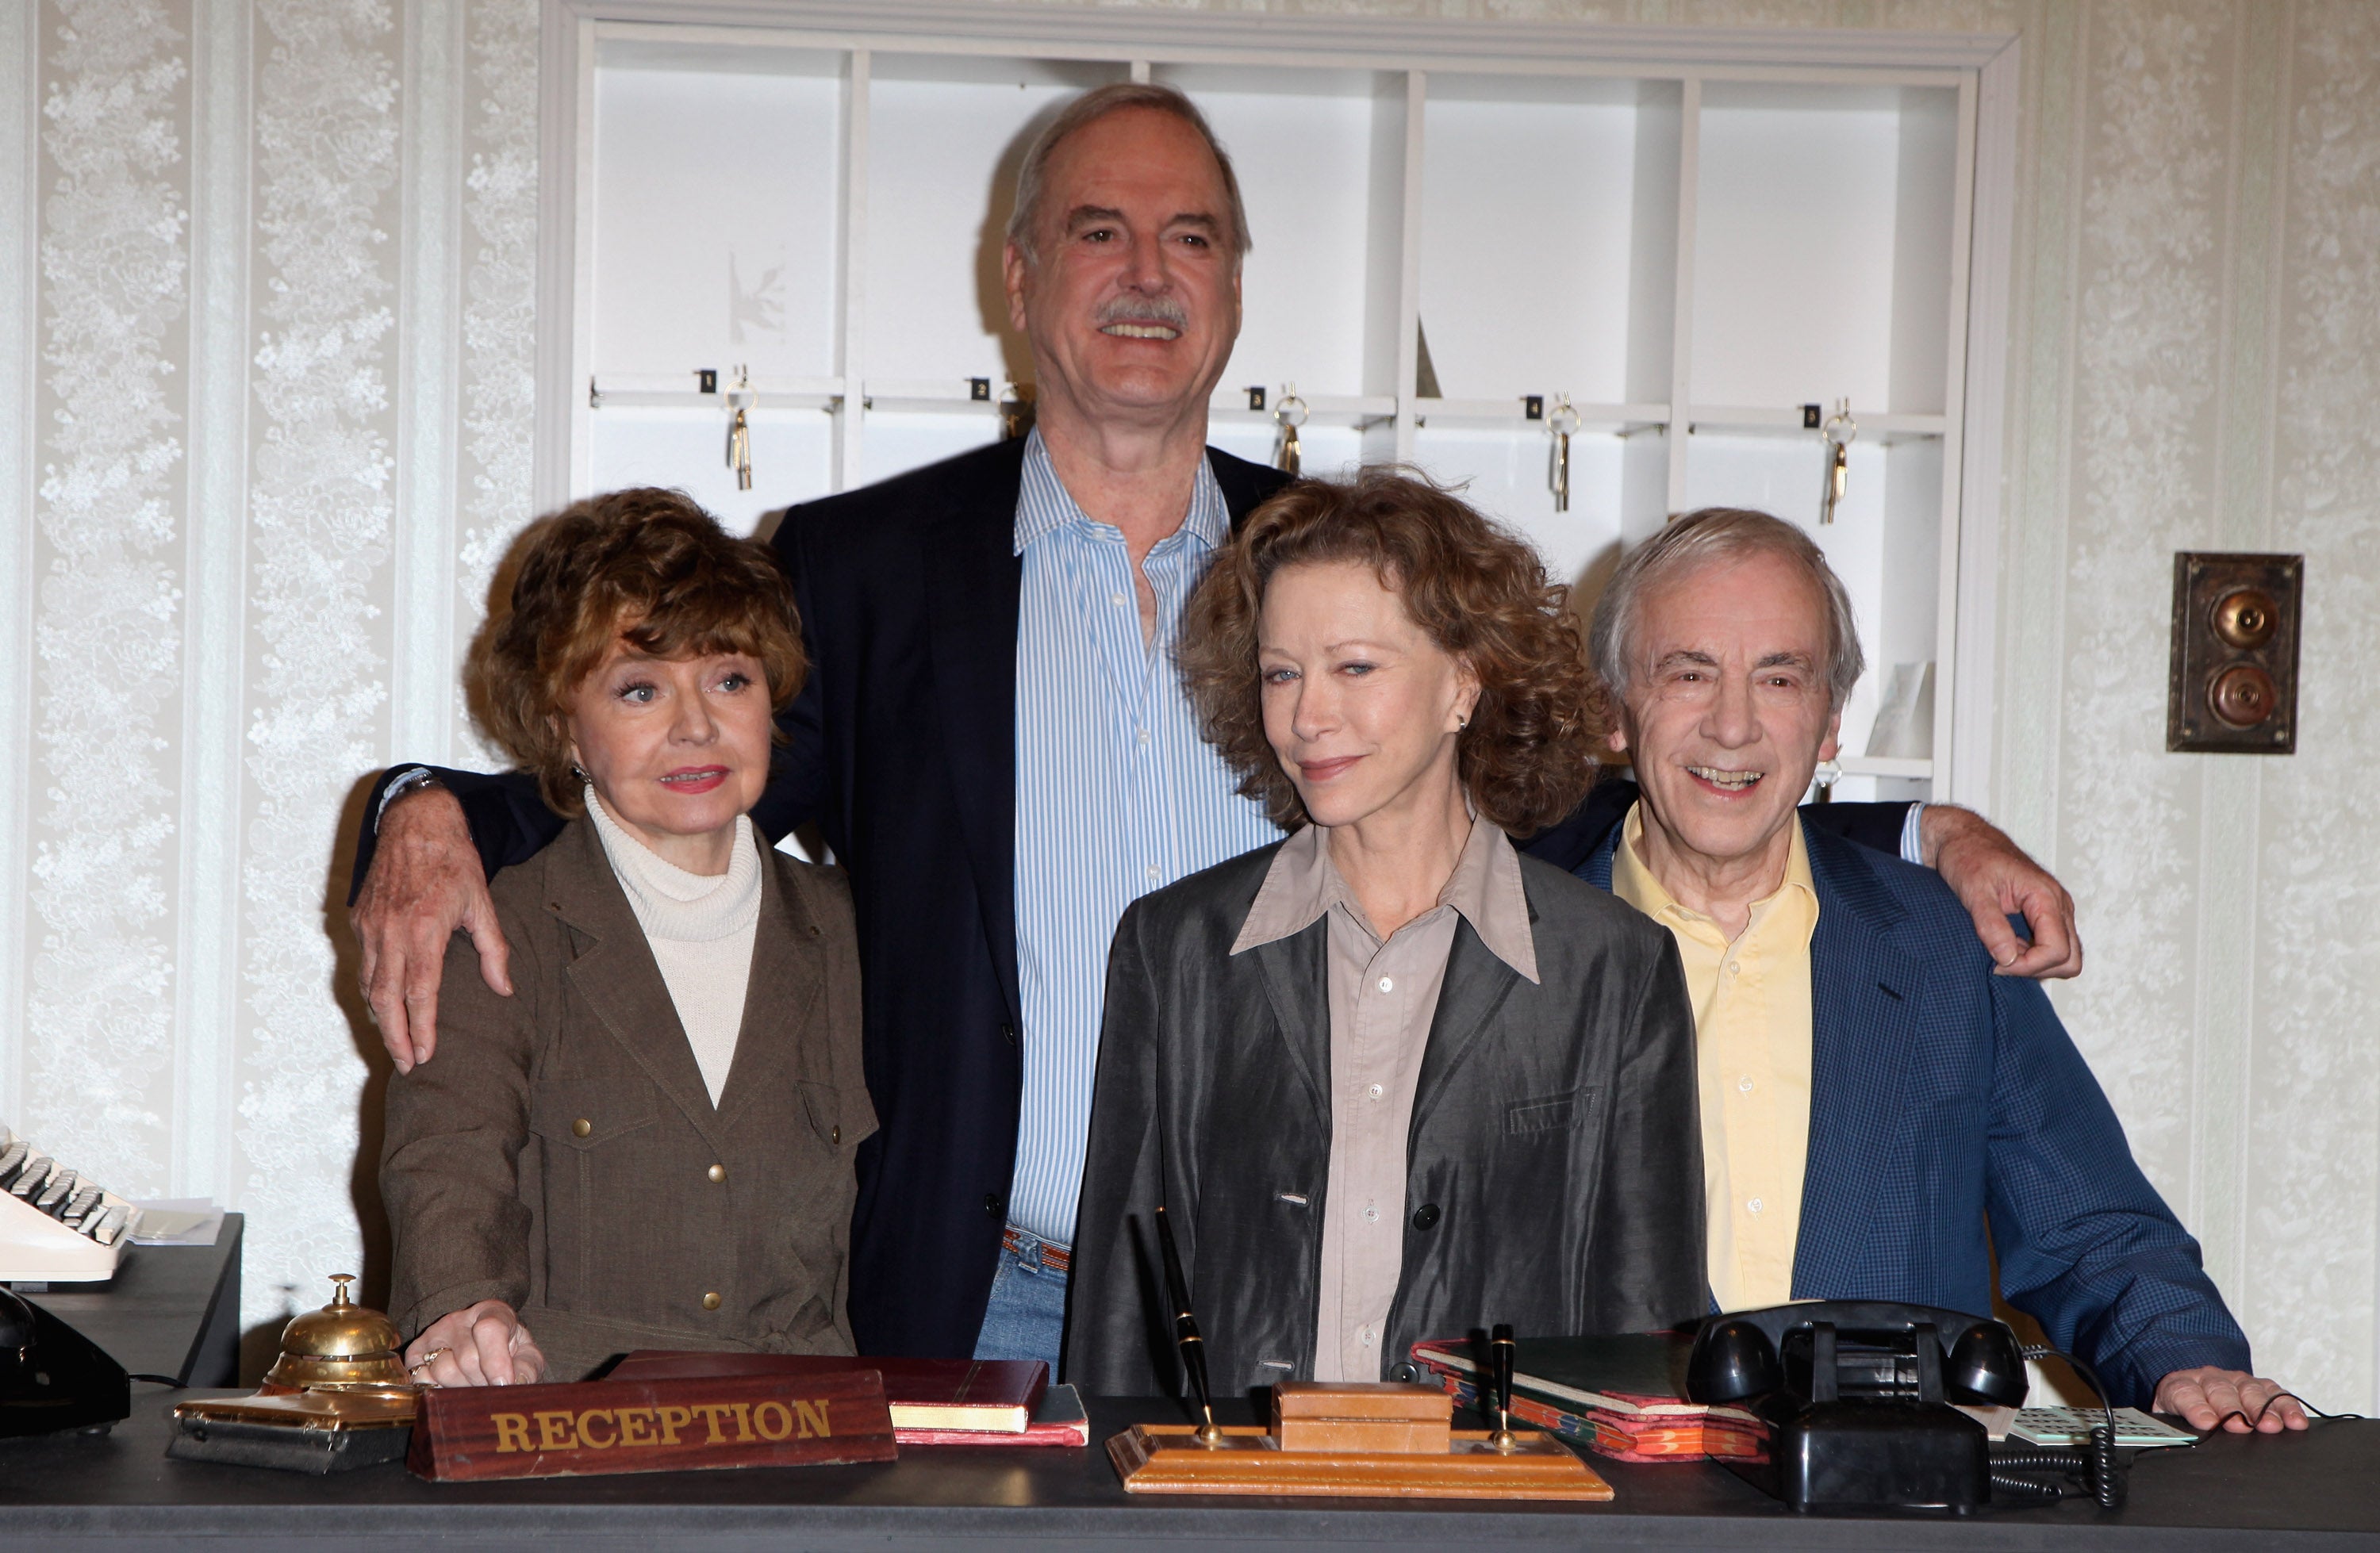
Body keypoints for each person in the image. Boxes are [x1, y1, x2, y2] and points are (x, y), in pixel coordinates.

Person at [346, 82, 2076, 1364]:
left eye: (1192, 238)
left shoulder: (1342, 574)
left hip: (1284, 1296)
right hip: (969, 1288)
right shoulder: (868, 570)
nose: (1147, 273)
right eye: (1100, 230)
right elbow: (677, 785)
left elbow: (1598, 796)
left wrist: (1910, 833)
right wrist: (428, 804)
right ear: (1021, 278)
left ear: (1238, 288)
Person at [1572, 507, 2305, 1433]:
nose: (1732, 724)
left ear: (1831, 721)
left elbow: (2092, 1229)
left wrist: (2188, 1363)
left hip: (1890, 1510)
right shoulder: (1516, 952)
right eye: (1688, 672)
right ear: (1610, 710)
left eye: (1780, 676)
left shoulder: (1947, 950)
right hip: (1598, 1503)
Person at [1067, 472, 1704, 1394]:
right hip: (1228, 1509)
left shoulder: (1612, 968)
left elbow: (1648, 1333)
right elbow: (1120, 1315)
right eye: (1282, 671)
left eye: (1354, 666)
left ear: (1464, 682)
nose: (1306, 714)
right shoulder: (1176, 948)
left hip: (1498, 1517)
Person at [381, 489, 873, 1386]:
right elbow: (447, 1151)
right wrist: (465, 1307)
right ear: (564, 724)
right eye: (639, 689)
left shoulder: (850, 926)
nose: (697, 724)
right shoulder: (500, 922)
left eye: (730, 678)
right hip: (562, 1435)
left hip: (806, 1448)